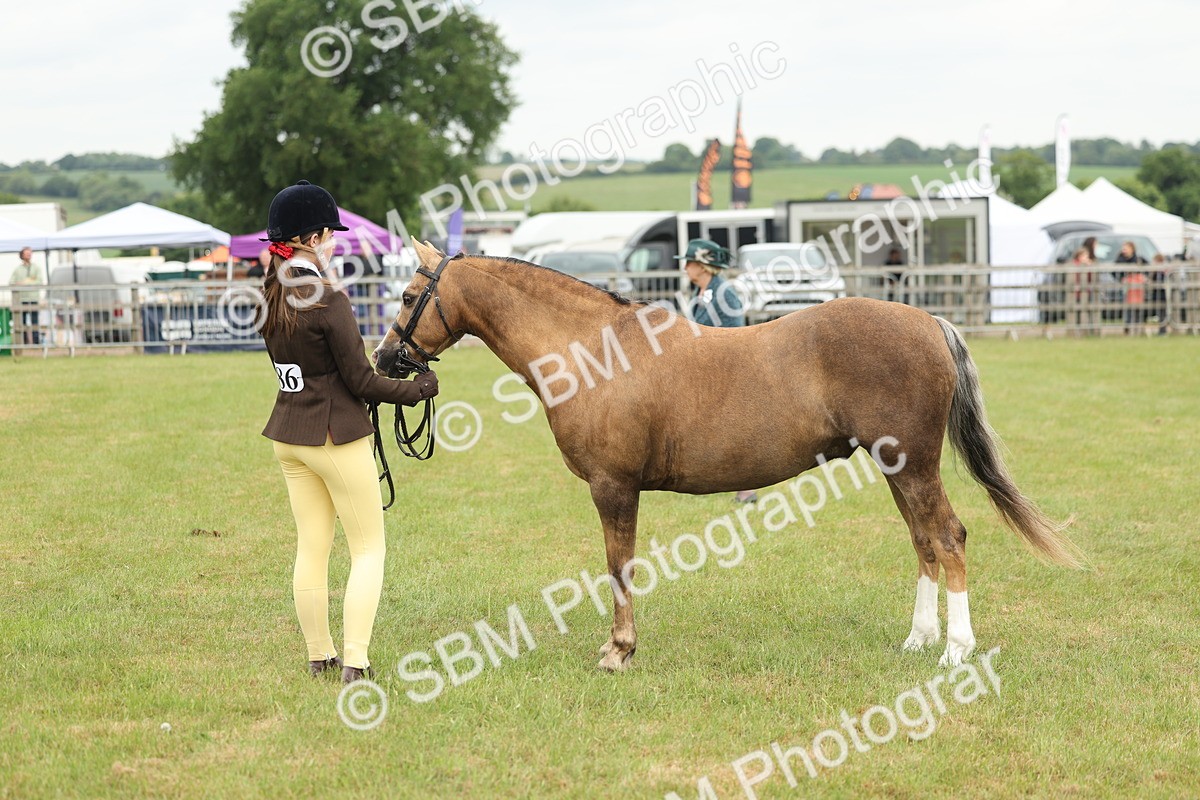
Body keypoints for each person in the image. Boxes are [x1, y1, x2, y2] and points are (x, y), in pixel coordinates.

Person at [258, 180, 439, 685]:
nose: (335, 242)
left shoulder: (271, 290)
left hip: (288, 435)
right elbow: (361, 381)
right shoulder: (329, 299)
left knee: (311, 547)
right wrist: (418, 389)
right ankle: (356, 663)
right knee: (367, 549)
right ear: (312, 238)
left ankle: (320, 656)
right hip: (334, 436)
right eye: (330, 235)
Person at [677, 238, 756, 503]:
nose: (685, 267)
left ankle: (748, 487)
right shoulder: (703, 292)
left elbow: (735, 335)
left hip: (725, 371)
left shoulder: (724, 292)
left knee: (736, 429)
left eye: (689, 262)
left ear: (702, 266)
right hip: (705, 370)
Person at [10, 247, 42, 345]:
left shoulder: (36, 268)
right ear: (22, 255)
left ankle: (36, 343)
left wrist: (27, 283)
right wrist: (21, 283)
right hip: (21, 299)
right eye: (27, 254)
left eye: (30, 253)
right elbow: (12, 282)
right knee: (21, 322)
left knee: (34, 322)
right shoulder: (17, 269)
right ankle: (22, 343)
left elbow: (39, 281)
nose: (29, 255)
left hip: (33, 299)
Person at [1115, 241, 1147, 333]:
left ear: (1132, 249)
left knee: (1138, 307)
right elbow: (1114, 271)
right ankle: (1127, 326)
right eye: (1123, 248)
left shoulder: (1138, 259)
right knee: (1127, 307)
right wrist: (1122, 279)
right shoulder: (1119, 260)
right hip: (1126, 288)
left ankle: (1139, 326)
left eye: (1126, 248)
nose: (1124, 250)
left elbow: (1147, 268)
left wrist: (1143, 277)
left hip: (1137, 288)